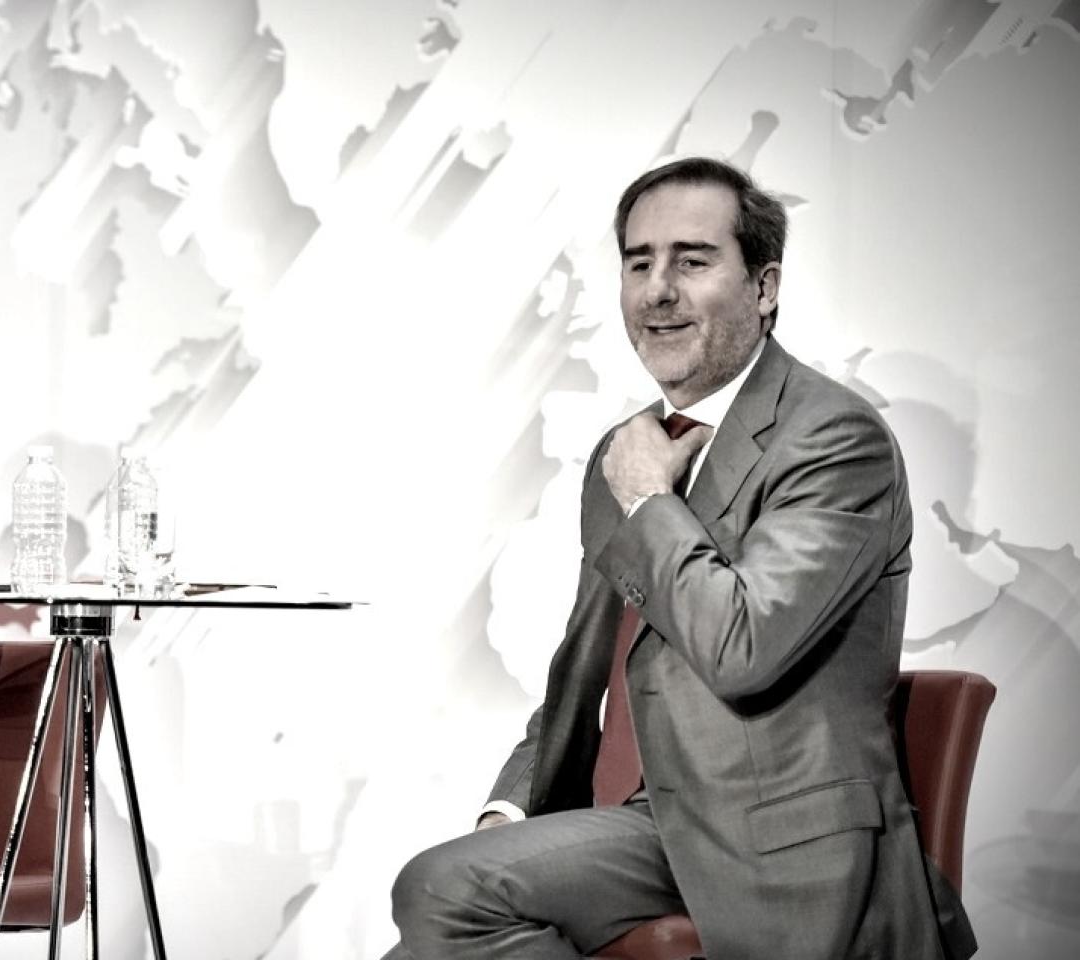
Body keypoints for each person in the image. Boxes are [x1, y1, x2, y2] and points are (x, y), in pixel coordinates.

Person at [386, 157, 976, 959]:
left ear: (764, 287)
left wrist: (649, 500)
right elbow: (588, 669)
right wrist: (511, 809)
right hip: (642, 830)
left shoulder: (836, 439)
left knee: (438, 891)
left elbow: (743, 649)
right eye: (639, 264)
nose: (657, 290)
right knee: (429, 929)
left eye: (692, 261)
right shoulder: (628, 449)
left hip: (774, 845)